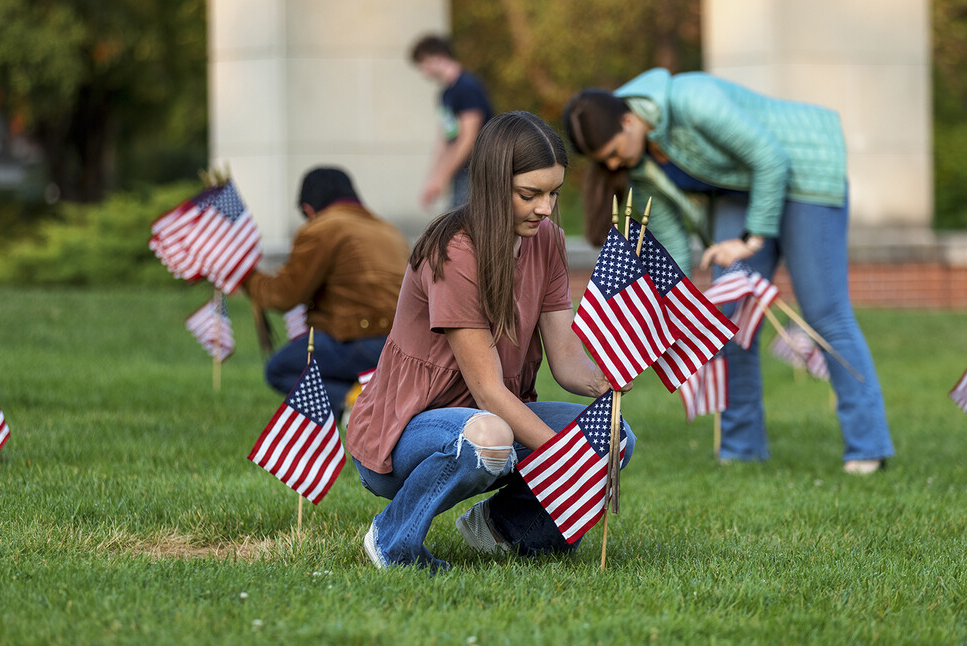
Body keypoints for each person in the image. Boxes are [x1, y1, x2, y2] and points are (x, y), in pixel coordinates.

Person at [563, 68, 894, 475]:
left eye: (615, 151)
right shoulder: (639, 165)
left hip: (804, 173)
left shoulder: (692, 99)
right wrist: (668, 309)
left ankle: (867, 447)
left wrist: (751, 240)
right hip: (742, 191)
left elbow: (770, 158)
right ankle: (742, 449)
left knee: (826, 313)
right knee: (725, 316)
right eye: (605, 161)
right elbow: (675, 249)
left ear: (629, 120)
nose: (614, 163)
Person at [347, 111, 635, 572]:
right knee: (492, 435)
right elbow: (488, 392)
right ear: (492, 184)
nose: (545, 207)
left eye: (553, 194)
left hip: (489, 419)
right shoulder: (455, 251)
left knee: (612, 436)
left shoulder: (548, 241)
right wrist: (567, 462)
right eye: (530, 194)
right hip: (411, 429)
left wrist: (609, 384)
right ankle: (391, 539)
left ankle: (501, 529)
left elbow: (565, 360)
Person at [244, 166, 410, 417]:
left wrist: (246, 276)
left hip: (361, 342)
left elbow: (284, 296)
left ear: (308, 209)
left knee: (280, 370)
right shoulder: (389, 230)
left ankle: (354, 404)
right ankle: (372, 395)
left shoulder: (322, 227)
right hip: (403, 348)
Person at [410, 34, 494, 210]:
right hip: (461, 172)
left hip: (478, 169)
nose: (423, 71)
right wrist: (434, 178)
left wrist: (442, 178)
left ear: (439, 57)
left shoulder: (467, 87)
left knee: (462, 224)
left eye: (423, 63)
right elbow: (446, 138)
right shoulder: (445, 94)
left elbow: (469, 138)